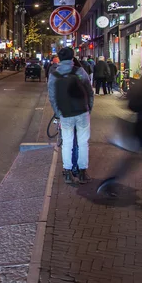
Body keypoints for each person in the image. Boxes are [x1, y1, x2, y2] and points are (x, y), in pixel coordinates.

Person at [98, 59, 142, 203]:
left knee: (133, 159)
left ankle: (110, 182)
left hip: (141, 127)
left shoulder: (141, 84)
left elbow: (130, 104)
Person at [48, 47, 94, 185]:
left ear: (59, 58)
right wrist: (88, 108)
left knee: (67, 143)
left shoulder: (54, 75)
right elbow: (89, 91)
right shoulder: (79, 71)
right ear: (72, 57)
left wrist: (58, 113)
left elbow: (52, 96)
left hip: (66, 113)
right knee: (83, 142)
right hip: (82, 112)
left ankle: (67, 172)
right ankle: (82, 172)